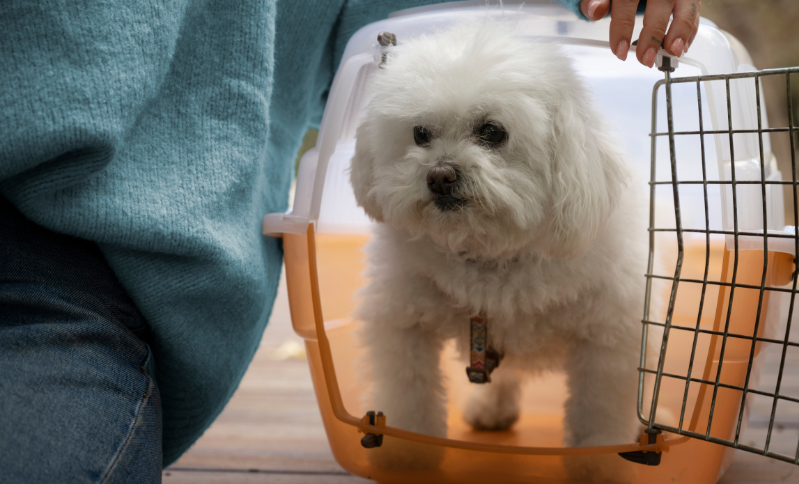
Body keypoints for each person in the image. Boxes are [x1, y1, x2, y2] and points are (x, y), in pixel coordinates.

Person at [0, 0, 698, 482]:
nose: (444, 168)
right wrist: (409, 445)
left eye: (491, 134)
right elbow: (396, 326)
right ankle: (479, 405)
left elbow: (441, 14)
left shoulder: (601, 233)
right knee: (414, 324)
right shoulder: (409, 248)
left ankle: (541, 408)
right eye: (421, 137)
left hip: (68, 279)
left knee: (610, 331)